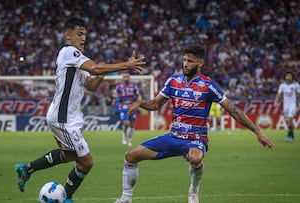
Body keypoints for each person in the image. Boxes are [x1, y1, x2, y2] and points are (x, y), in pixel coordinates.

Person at [114, 44, 275, 203]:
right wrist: (140, 103)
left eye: (190, 61)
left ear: (200, 63)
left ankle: (193, 190)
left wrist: (258, 132)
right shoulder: (174, 81)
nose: (185, 64)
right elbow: (155, 104)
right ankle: (126, 199)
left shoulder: (209, 86)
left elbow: (233, 110)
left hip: (195, 139)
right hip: (173, 136)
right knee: (130, 156)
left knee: (196, 158)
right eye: (184, 60)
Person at [15, 17, 146, 203]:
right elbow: (95, 68)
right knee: (86, 161)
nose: (83, 37)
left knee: (71, 155)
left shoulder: (78, 59)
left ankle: (27, 169)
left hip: (69, 118)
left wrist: (107, 71)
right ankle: (66, 196)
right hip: (63, 118)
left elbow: (91, 84)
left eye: (85, 34)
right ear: (67, 35)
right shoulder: (68, 52)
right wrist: (125, 65)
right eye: (79, 33)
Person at [114, 71, 142, 146]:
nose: (126, 78)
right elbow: (115, 94)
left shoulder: (134, 86)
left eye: (127, 77)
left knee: (132, 125)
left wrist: (139, 100)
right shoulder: (119, 87)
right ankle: (124, 137)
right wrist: (115, 96)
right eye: (124, 77)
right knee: (126, 123)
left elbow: (138, 95)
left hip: (132, 106)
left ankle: (129, 140)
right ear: (122, 78)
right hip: (123, 106)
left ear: (129, 78)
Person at [274, 71, 300, 142]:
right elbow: (279, 94)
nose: (288, 77)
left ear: (292, 77)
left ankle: (289, 135)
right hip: (285, 105)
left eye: (290, 76)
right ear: (285, 77)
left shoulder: (296, 85)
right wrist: (276, 101)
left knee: (290, 117)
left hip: (293, 104)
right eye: (287, 76)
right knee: (288, 120)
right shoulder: (282, 85)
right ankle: (292, 135)